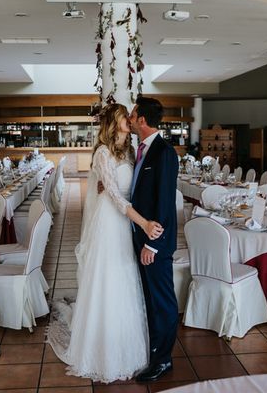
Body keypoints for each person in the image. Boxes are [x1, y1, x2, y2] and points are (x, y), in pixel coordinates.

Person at [46, 103, 164, 383]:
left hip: (127, 225)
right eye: (125, 117)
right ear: (115, 122)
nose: (130, 121)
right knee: (109, 279)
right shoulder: (102, 153)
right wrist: (144, 223)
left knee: (126, 278)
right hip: (111, 223)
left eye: (130, 116)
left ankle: (128, 347)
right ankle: (102, 351)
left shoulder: (130, 152)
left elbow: (136, 187)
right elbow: (115, 197)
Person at [127, 96, 179, 382]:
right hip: (142, 236)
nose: (131, 120)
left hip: (155, 242)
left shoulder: (164, 152)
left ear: (142, 120)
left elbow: (164, 204)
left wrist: (152, 245)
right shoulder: (143, 150)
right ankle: (155, 352)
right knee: (149, 298)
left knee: (162, 301)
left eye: (134, 115)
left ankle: (163, 359)